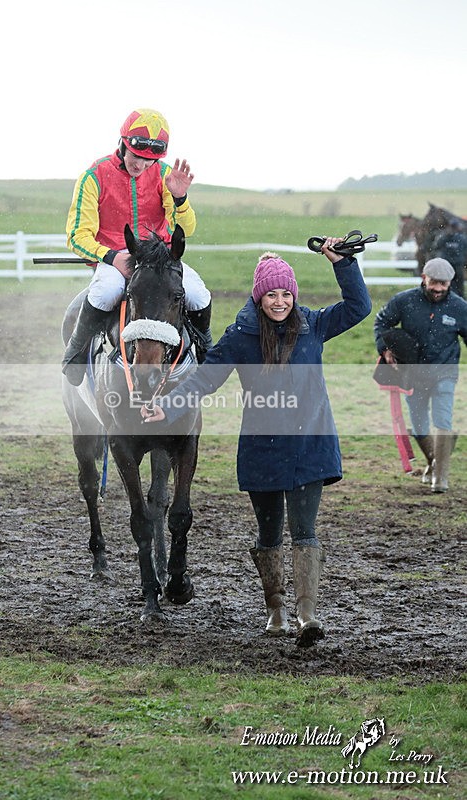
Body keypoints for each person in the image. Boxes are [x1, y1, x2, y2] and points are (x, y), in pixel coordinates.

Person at [141, 239, 372, 647]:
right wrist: (168, 406)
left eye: (286, 293)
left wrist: (343, 264)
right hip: (263, 448)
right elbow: (205, 378)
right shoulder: (242, 337)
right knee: (269, 535)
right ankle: (276, 612)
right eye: (272, 294)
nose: (280, 301)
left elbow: (358, 306)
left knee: (305, 531)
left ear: (294, 295)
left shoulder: (314, 324)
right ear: (259, 296)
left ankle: (307, 616)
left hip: (310, 446)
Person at [62, 108, 212, 385]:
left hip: (161, 261)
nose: (141, 165)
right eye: (137, 156)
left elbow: (187, 229)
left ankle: (205, 352)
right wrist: (110, 256)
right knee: (106, 291)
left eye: (149, 160)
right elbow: (76, 235)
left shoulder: (166, 175)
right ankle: (76, 352)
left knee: (198, 295)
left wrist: (180, 199)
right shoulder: (93, 176)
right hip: (114, 259)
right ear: (122, 144)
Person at [375, 257, 467, 492]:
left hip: (445, 371)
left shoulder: (459, 307)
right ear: (424, 278)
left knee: (442, 419)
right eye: (434, 282)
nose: (438, 289)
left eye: (443, 284)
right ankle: (434, 463)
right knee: (418, 425)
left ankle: (441, 478)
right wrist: (384, 349)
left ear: (450, 283)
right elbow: (382, 322)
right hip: (412, 372)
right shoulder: (403, 301)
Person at [433, 220, 467, 298]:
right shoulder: (445, 237)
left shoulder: (461, 238)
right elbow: (437, 246)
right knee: (447, 283)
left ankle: (459, 299)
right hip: (447, 266)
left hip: (457, 265)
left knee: (458, 285)